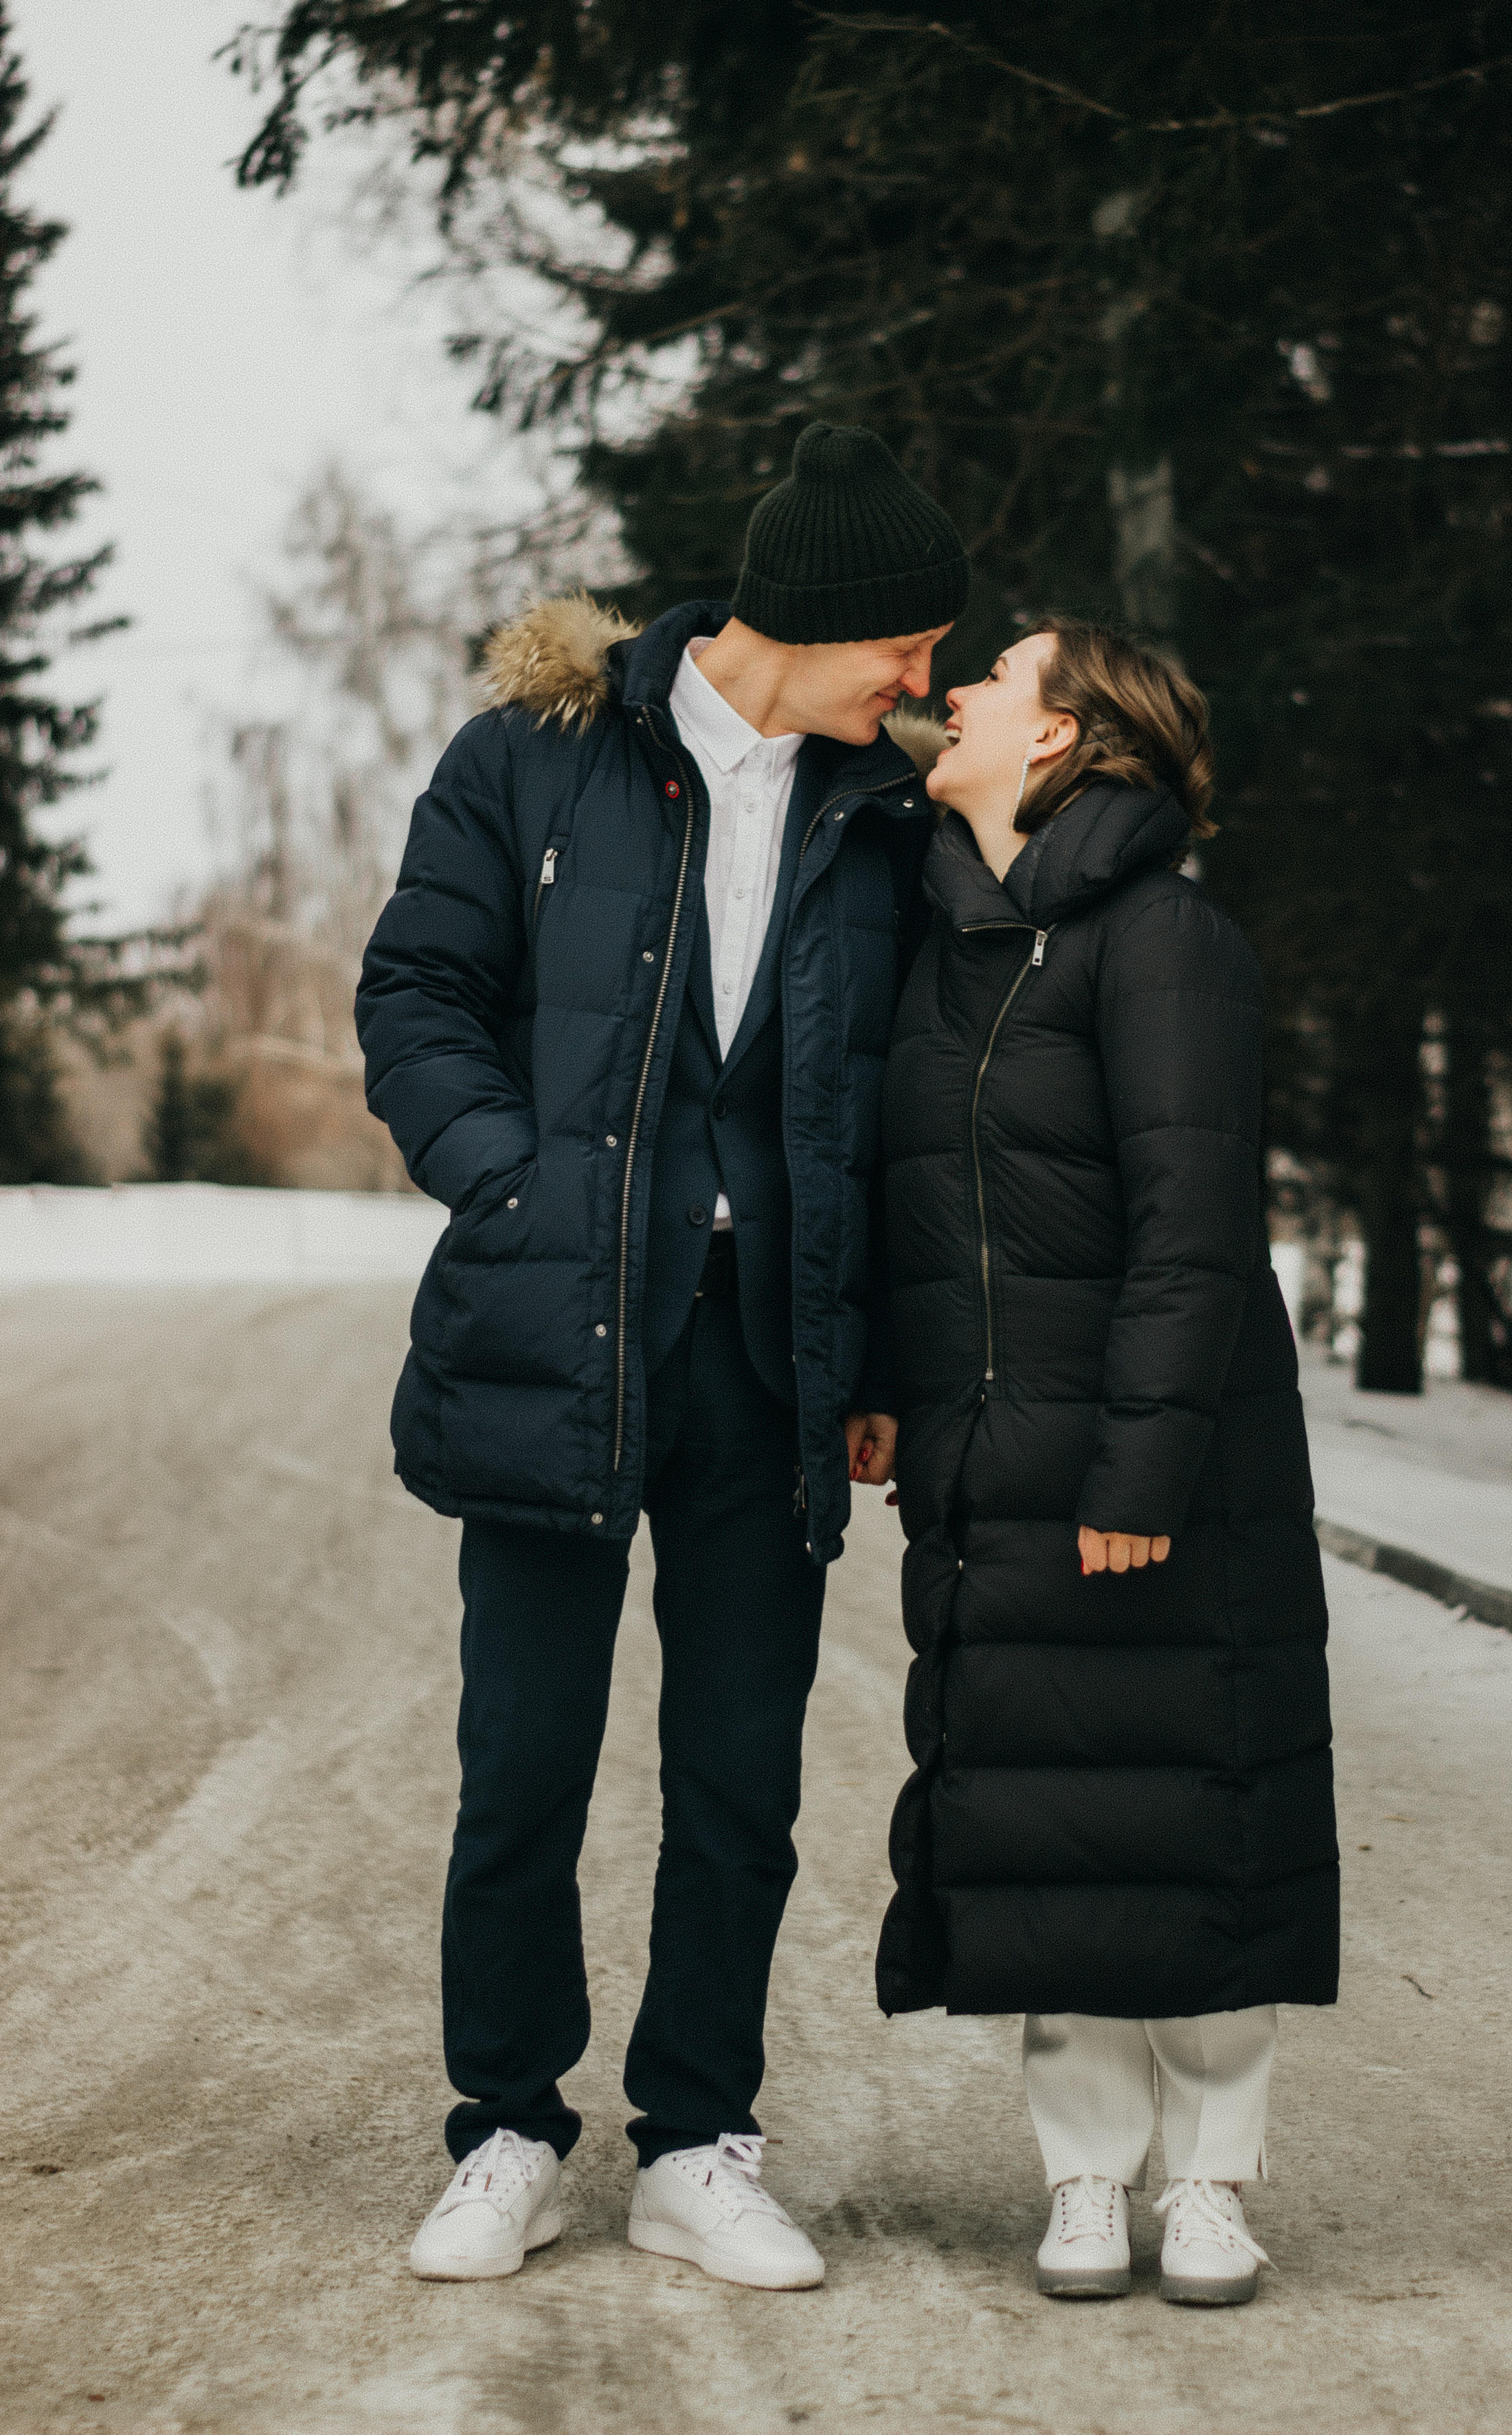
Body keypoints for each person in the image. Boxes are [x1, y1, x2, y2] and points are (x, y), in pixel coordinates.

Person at [356, 422, 966, 2288]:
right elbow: (416, 992)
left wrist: (867, 1346)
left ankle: (698, 2136)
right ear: (822, 622)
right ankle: (508, 2131)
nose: (926, 687)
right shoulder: (531, 760)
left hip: (767, 1364)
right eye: (911, 653)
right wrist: (505, 1185)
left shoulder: (883, 819)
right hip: (555, 1330)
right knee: (522, 1761)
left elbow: (896, 1109)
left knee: (738, 1777)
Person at [875, 618, 1339, 2305]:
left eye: (991, 679)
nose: (954, 697)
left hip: (1164, 1473)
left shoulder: (1164, 937)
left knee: (1195, 1823)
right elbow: (910, 1200)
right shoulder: (947, 944)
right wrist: (881, 1382)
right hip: (995, 1468)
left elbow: (1192, 1228)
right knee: (1050, 1842)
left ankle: (1209, 2183)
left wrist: (1135, 1478)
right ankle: (1083, 2180)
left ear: (1064, 735)